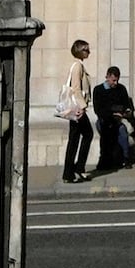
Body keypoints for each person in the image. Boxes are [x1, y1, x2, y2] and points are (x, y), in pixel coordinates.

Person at [57, 39, 98, 183]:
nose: (89, 52)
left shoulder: (79, 66)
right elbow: (76, 88)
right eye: (86, 50)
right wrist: (82, 107)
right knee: (86, 135)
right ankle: (76, 169)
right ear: (80, 51)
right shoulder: (77, 66)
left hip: (77, 108)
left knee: (75, 139)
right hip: (77, 109)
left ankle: (71, 172)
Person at [90, 65, 135, 175]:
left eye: (117, 80)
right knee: (106, 131)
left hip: (119, 120)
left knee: (122, 131)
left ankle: (126, 158)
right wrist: (113, 113)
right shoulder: (98, 90)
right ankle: (105, 161)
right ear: (107, 77)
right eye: (113, 80)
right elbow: (98, 110)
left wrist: (125, 112)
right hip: (105, 120)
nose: (115, 83)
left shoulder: (121, 89)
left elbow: (126, 105)